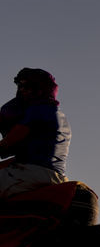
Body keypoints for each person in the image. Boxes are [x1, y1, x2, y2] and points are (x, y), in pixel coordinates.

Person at [0, 68, 70, 199]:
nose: (21, 90)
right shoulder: (56, 113)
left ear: (39, 88)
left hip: (31, 174)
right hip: (53, 176)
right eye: (20, 86)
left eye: (26, 86)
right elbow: (26, 157)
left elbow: (10, 141)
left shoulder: (39, 110)